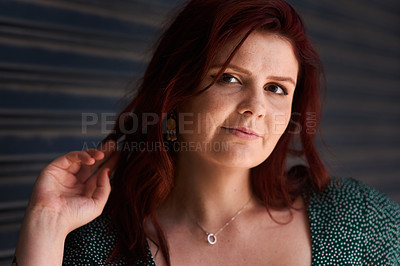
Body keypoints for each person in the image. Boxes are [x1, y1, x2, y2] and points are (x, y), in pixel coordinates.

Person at [14, 0, 399, 265]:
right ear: (175, 93)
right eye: (230, 78)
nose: (257, 106)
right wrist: (46, 224)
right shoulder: (100, 245)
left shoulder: (357, 219)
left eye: (276, 88)